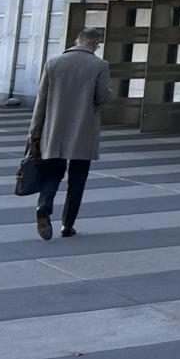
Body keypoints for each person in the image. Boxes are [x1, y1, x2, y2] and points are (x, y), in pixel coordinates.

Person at [25, 26, 111, 240]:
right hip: (83, 130)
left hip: (53, 130)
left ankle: (44, 206)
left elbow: (41, 101)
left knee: (53, 172)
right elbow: (101, 97)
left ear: (76, 40)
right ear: (95, 44)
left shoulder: (53, 63)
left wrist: (34, 133)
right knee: (78, 178)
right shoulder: (100, 65)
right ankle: (67, 225)